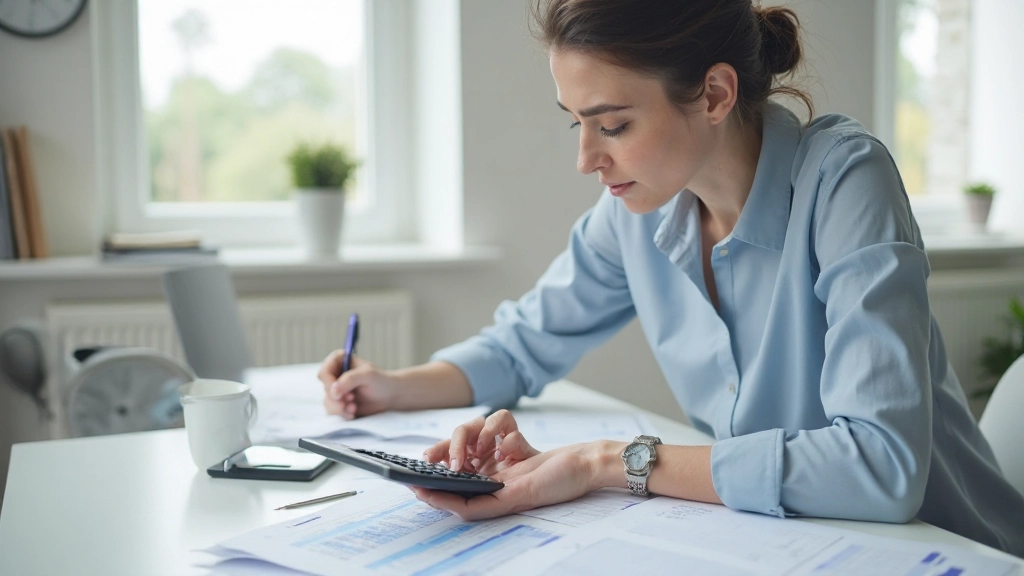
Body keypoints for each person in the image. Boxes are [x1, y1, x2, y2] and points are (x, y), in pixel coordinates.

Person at [318, 0, 1024, 557]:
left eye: (614, 124)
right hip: (790, 543)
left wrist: (606, 463)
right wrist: (393, 387)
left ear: (715, 93)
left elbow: (881, 466)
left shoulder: (845, 181)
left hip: (945, 551)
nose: (588, 159)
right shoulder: (634, 211)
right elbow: (523, 344)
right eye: (577, 126)